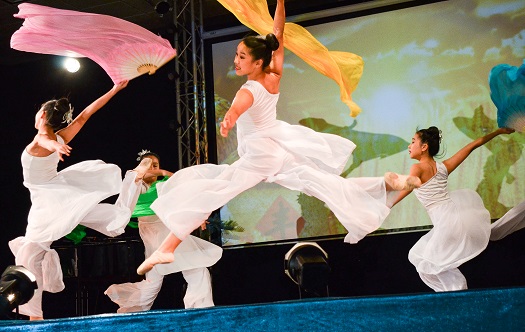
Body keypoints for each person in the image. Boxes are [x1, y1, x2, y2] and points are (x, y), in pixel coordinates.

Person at [136, 0, 419, 275]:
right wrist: (280, 4)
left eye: (242, 57)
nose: (235, 61)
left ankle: (168, 247)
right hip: (275, 150)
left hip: (261, 154)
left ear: (258, 62)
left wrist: (230, 119)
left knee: (214, 189)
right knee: (321, 183)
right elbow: (279, 33)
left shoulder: (247, 90)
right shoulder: (274, 73)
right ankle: (386, 181)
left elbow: (238, 107)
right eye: (236, 54)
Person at [8, 81, 149, 320]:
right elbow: (84, 116)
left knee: (29, 255)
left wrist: (53, 145)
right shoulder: (58, 137)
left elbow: (43, 140)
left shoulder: (46, 137)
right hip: (58, 194)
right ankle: (133, 182)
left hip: (49, 198)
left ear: (42, 115)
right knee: (35, 251)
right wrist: (113, 90)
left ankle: (35, 317)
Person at [388, 126, 515, 292]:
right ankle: (455, 292)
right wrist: (498, 132)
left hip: (447, 221)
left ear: (424, 147)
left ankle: (458, 292)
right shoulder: (443, 167)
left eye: (413, 142)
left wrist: (387, 205)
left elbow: (407, 187)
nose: (409, 146)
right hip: (455, 216)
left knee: (424, 261)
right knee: (424, 259)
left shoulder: (417, 168)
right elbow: (472, 146)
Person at [105, 150, 223, 311]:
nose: (152, 168)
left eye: (156, 165)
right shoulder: (134, 183)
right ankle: (131, 312)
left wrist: (198, 217)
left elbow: (184, 194)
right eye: (148, 164)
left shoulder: (162, 184)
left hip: (167, 228)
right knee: (154, 281)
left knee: (194, 267)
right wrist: (161, 171)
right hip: (152, 231)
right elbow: (130, 193)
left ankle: (200, 309)